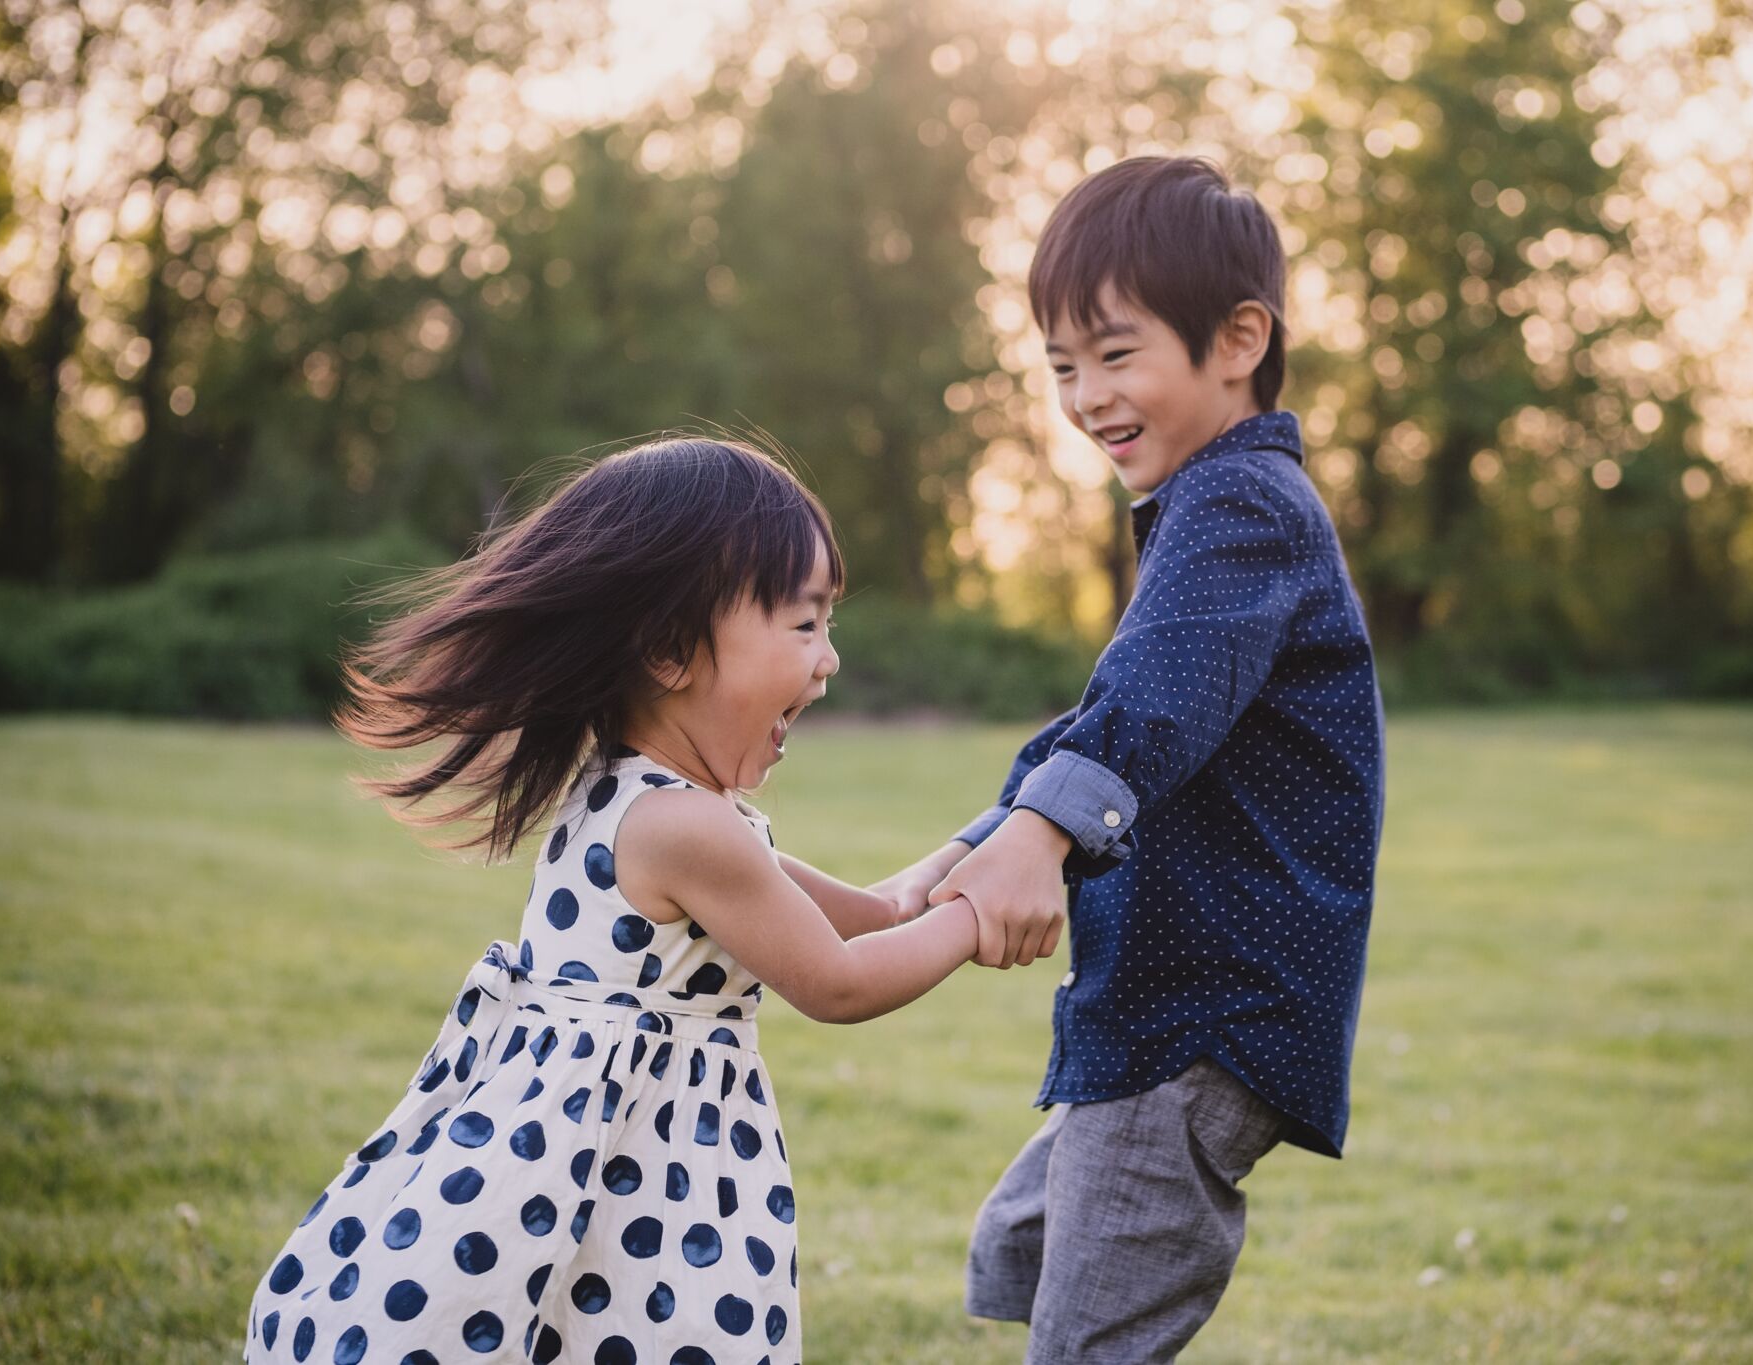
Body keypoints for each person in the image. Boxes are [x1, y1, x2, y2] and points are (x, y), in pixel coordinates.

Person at [243, 436, 978, 1365]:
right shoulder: (684, 828)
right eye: (803, 624)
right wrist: (977, 921)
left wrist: (986, 849)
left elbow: (870, 913)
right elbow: (837, 979)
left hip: (603, 1168)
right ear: (672, 649)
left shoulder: (645, 799)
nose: (828, 659)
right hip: (640, 1186)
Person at [871, 156, 1387, 1362]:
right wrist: (969, 846)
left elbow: (1149, 707)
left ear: (1237, 339)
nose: (1083, 395)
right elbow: (1116, 707)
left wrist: (1042, 835)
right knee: (1035, 1245)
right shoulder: (1209, 509)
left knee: (1089, 1328)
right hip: (1167, 1003)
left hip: (1206, 1007)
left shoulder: (1245, 505)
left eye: (1112, 354)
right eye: (1058, 365)